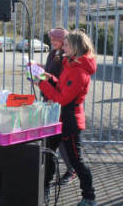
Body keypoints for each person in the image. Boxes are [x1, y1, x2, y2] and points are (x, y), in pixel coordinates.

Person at [38, 29, 97, 206]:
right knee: (48, 152)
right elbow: (61, 86)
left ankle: (89, 197)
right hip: (59, 118)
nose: (63, 47)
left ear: (76, 47)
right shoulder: (71, 64)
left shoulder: (79, 71)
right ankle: (45, 187)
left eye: (66, 45)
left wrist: (42, 83)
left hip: (70, 121)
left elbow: (63, 99)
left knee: (76, 161)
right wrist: (49, 78)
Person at [44, 27, 77, 187]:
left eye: (55, 40)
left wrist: (46, 80)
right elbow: (48, 73)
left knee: (62, 139)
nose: (52, 42)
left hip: (58, 101)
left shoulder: (65, 58)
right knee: (53, 138)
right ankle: (49, 171)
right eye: (51, 39)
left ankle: (72, 170)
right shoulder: (53, 54)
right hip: (49, 97)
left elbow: (61, 83)